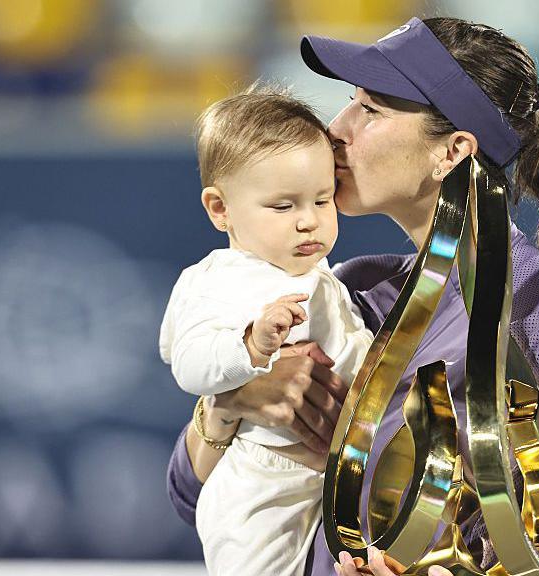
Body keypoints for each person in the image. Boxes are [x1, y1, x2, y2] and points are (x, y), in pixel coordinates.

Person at [167, 16, 539, 576]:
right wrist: (228, 408)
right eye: (348, 101)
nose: (336, 128)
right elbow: (192, 497)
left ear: (452, 151)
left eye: (371, 110)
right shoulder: (355, 289)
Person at [159, 85, 374, 576]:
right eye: (283, 207)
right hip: (261, 479)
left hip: (328, 478)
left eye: (323, 200)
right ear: (220, 209)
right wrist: (250, 346)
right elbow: (188, 361)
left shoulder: (325, 277)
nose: (308, 222)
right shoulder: (218, 280)